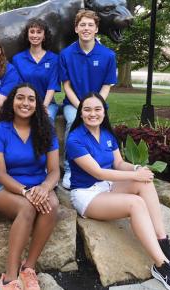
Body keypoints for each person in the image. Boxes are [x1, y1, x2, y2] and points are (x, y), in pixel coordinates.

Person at [66, 92, 170, 290]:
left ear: (104, 111)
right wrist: (133, 177)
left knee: (144, 183)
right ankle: (161, 266)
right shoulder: (75, 139)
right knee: (135, 204)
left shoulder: (107, 134)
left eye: (97, 109)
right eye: (87, 109)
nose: (92, 113)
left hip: (107, 188)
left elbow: (118, 163)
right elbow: (99, 173)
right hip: (87, 195)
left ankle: (162, 240)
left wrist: (137, 169)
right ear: (80, 113)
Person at [0, 83, 60, 290]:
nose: (25, 103)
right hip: (5, 188)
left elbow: (54, 171)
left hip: (37, 184)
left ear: (37, 104)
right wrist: (25, 192)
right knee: (27, 207)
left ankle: (28, 268)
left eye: (30, 99)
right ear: (12, 101)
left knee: (52, 205)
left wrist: (44, 188)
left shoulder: (46, 131)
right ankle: (9, 278)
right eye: (20, 98)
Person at [59, 9, 117, 189]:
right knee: (72, 123)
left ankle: (106, 168)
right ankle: (70, 168)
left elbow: (107, 85)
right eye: (82, 25)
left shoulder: (108, 55)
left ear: (96, 29)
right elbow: (66, 86)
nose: (86, 28)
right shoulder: (66, 54)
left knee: (104, 129)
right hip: (73, 104)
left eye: (90, 25)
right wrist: (81, 108)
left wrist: (95, 107)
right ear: (76, 29)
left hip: (98, 104)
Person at [12, 18, 60, 122]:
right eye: (32, 32)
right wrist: (28, 106)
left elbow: (52, 86)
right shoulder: (17, 59)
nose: (35, 35)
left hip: (47, 103)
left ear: (44, 36)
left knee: (46, 119)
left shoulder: (54, 59)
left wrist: (43, 107)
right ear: (27, 35)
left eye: (39, 32)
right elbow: (18, 86)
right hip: (25, 103)